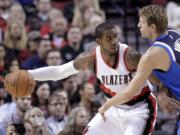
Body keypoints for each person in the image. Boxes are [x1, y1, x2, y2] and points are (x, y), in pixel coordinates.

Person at [26, 22, 158, 135]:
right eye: (109, 38)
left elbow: (158, 78)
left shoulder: (130, 56)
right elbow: (58, 72)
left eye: (116, 37)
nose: (114, 42)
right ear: (99, 41)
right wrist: (28, 74)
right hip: (113, 108)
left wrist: (164, 93)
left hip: (140, 108)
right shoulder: (90, 59)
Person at [98, 5, 180, 134]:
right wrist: (162, 92)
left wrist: (105, 106)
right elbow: (170, 74)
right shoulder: (175, 35)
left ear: (152, 27)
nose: (138, 25)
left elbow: (129, 93)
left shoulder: (151, 55)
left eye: (141, 22)